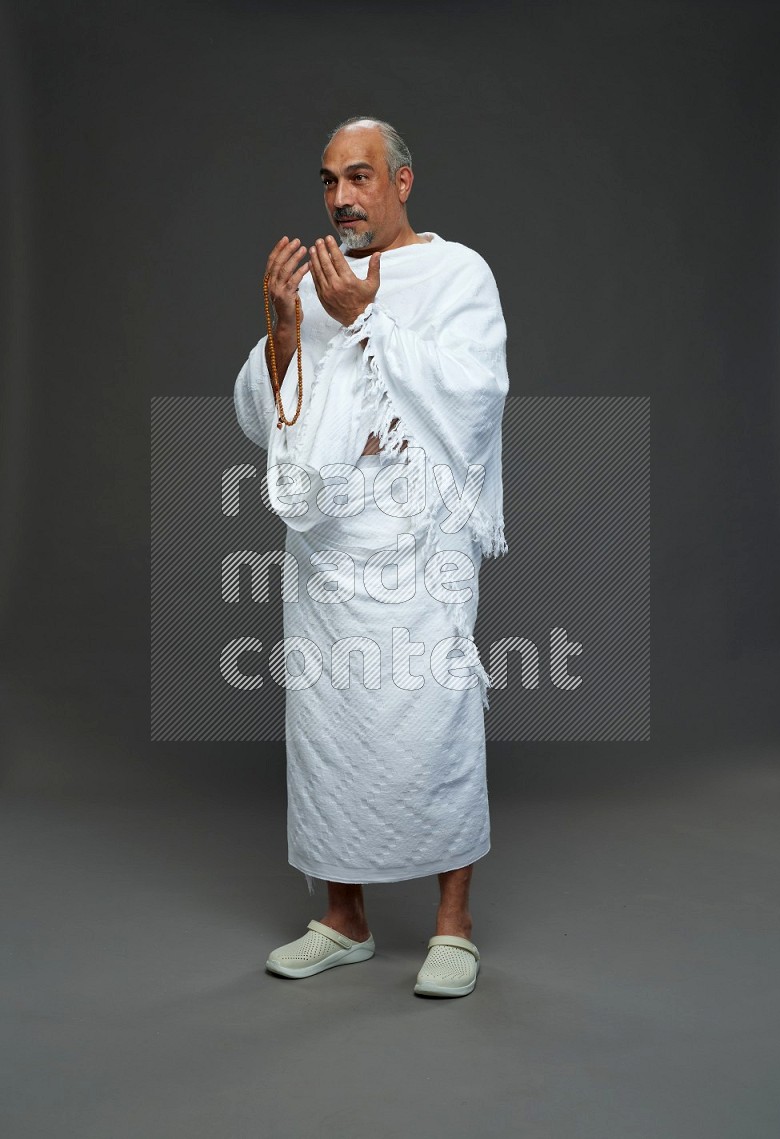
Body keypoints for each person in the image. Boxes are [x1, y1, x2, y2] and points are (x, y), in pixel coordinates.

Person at [233, 116, 509, 997]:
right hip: (327, 552)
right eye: (328, 181)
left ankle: (453, 926)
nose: (342, 197)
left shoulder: (458, 274)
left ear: (402, 182)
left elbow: (475, 397)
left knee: (436, 716)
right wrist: (283, 331)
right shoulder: (315, 284)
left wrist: (367, 319)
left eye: (359, 177)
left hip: (422, 548)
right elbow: (264, 416)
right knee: (330, 730)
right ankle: (343, 918)